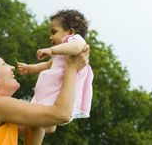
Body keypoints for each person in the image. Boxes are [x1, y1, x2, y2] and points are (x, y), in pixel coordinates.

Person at [0, 48, 89, 145]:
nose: (11, 67)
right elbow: (61, 114)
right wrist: (71, 69)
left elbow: (48, 125)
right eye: (4, 64)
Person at [17, 9, 94, 141]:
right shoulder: (61, 55)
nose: (50, 37)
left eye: (54, 32)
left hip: (56, 95)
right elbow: (47, 65)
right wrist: (30, 69)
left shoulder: (76, 40)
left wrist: (51, 50)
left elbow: (75, 48)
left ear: (71, 32)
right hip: (48, 94)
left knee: (35, 120)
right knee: (35, 123)